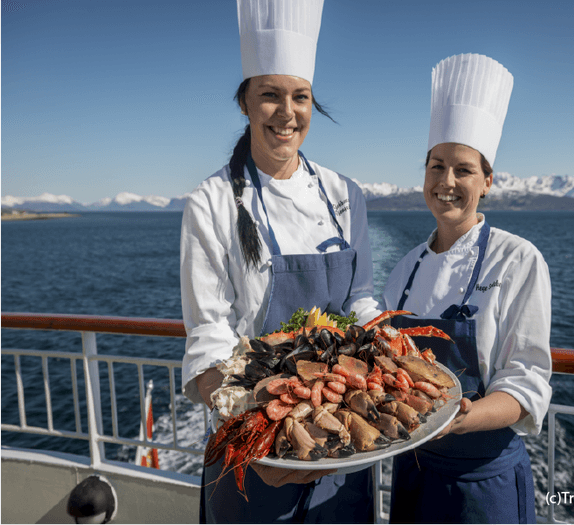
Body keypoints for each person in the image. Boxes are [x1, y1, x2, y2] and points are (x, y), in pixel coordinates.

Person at [180, 1, 381, 522]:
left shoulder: (344, 195)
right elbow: (208, 332)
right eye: (269, 96)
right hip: (254, 441)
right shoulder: (213, 201)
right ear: (245, 103)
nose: (286, 113)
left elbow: (359, 300)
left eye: (300, 97)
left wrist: (385, 351)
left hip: (341, 427)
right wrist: (256, 433)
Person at [382, 53, 552, 524]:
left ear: (487, 182)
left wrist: (463, 417)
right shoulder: (404, 270)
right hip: (412, 467)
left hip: (485, 479)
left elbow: (529, 379)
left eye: (464, 170)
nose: (447, 182)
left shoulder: (518, 260)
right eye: (437, 167)